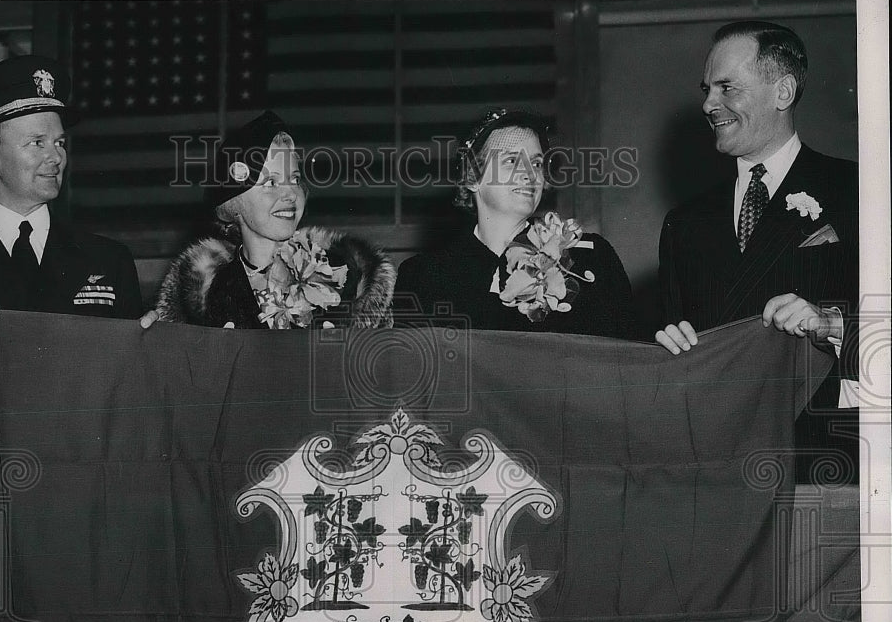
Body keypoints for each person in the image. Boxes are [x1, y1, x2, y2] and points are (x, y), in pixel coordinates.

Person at [655, 21, 858, 371]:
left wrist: (831, 325)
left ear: (783, 92)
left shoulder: (857, 188)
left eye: (727, 88)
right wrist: (667, 350)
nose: (707, 104)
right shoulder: (682, 223)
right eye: (707, 89)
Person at [0, 55, 143, 395]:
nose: (56, 157)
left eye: (59, 143)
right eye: (37, 143)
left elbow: (135, 393)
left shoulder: (110, 261)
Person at [395, 108, 638, 338]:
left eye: (537, 163)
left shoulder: (592, 257)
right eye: (511, 161)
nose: (530, 174)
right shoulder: (422, 277)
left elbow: (628, 361)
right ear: (471, 177)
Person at [141, 110, 394, 330]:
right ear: (233, 205)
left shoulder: (350, 280)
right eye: (270, 182)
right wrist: (154, 338)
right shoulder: (201, 295)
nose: (290, 193)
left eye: (295, 179)